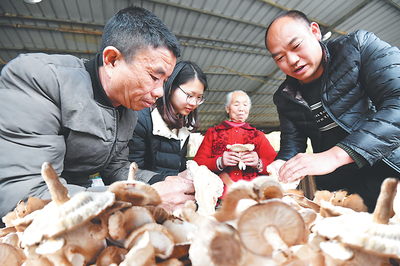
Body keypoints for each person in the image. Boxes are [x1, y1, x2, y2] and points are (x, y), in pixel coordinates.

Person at [0, 6, 194, 222]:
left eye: (164, 81)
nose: (159, 92)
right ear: (112, 60)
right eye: (153, 76)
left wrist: (166, 181)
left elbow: (117, 168)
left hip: (81, 214)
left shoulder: (129, 110)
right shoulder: (41, 79)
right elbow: (26, 195)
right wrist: (141, 200)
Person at [265, 10, 400, 212]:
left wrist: (333, 156)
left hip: (390, 173)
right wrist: (282, 164)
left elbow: (396, 102)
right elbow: (293, 144)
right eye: (280, 57)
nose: (292, 60)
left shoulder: (359, 47)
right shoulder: (285, 96)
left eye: (296, 46)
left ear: (314, 31)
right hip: (341, 192)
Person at [128, 61, 207, 188]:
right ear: (170, 87)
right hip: (146, 196)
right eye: (190, 95)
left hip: (173, 193)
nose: (194, 103)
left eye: (199, 98)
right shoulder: (142, 119)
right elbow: (132, 171)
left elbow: (178, 165)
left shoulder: (184, 126)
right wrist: (174, 178)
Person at [193, 90, 277, 196]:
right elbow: (197, 164)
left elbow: (275, 164)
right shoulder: (214, 133)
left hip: (252, 196)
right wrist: (219, 162)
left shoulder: (257, 135)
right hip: (219, 196)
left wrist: (258, 163)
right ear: (227, 108)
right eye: (236, 104)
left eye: (245, 105)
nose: (241, 109)